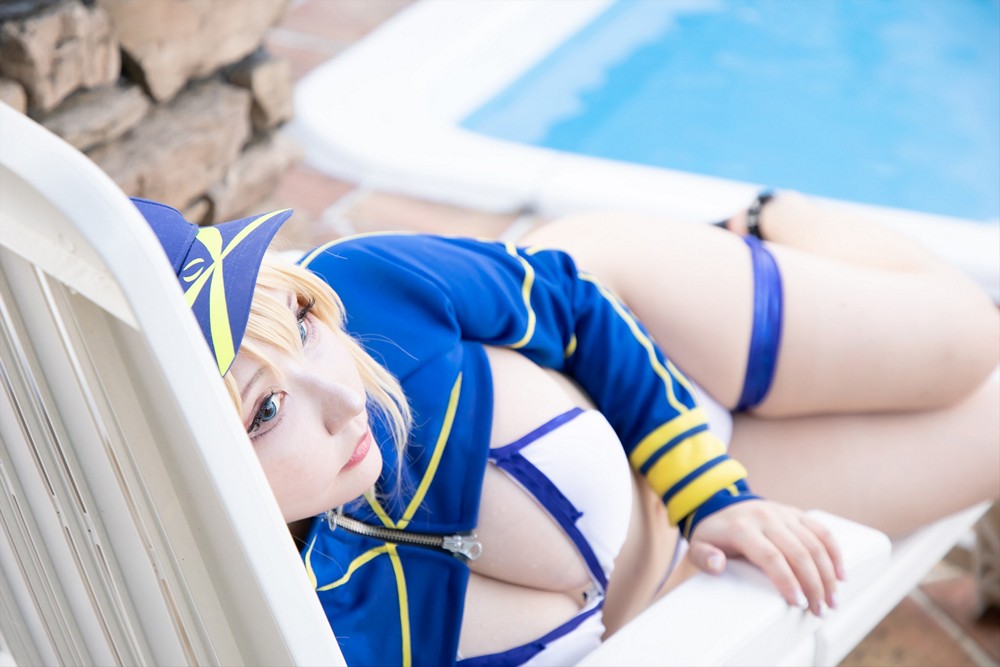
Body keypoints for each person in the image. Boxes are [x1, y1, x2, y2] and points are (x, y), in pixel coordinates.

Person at [132, 191, 999, 667]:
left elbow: (573, 302)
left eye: (301, 321)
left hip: (652, 324)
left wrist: (716, 496)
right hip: (684, 552)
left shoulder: (369, 288)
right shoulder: (337, 633)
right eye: (266, 410)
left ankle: (770, 220)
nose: (345, 397)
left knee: (973, 339)